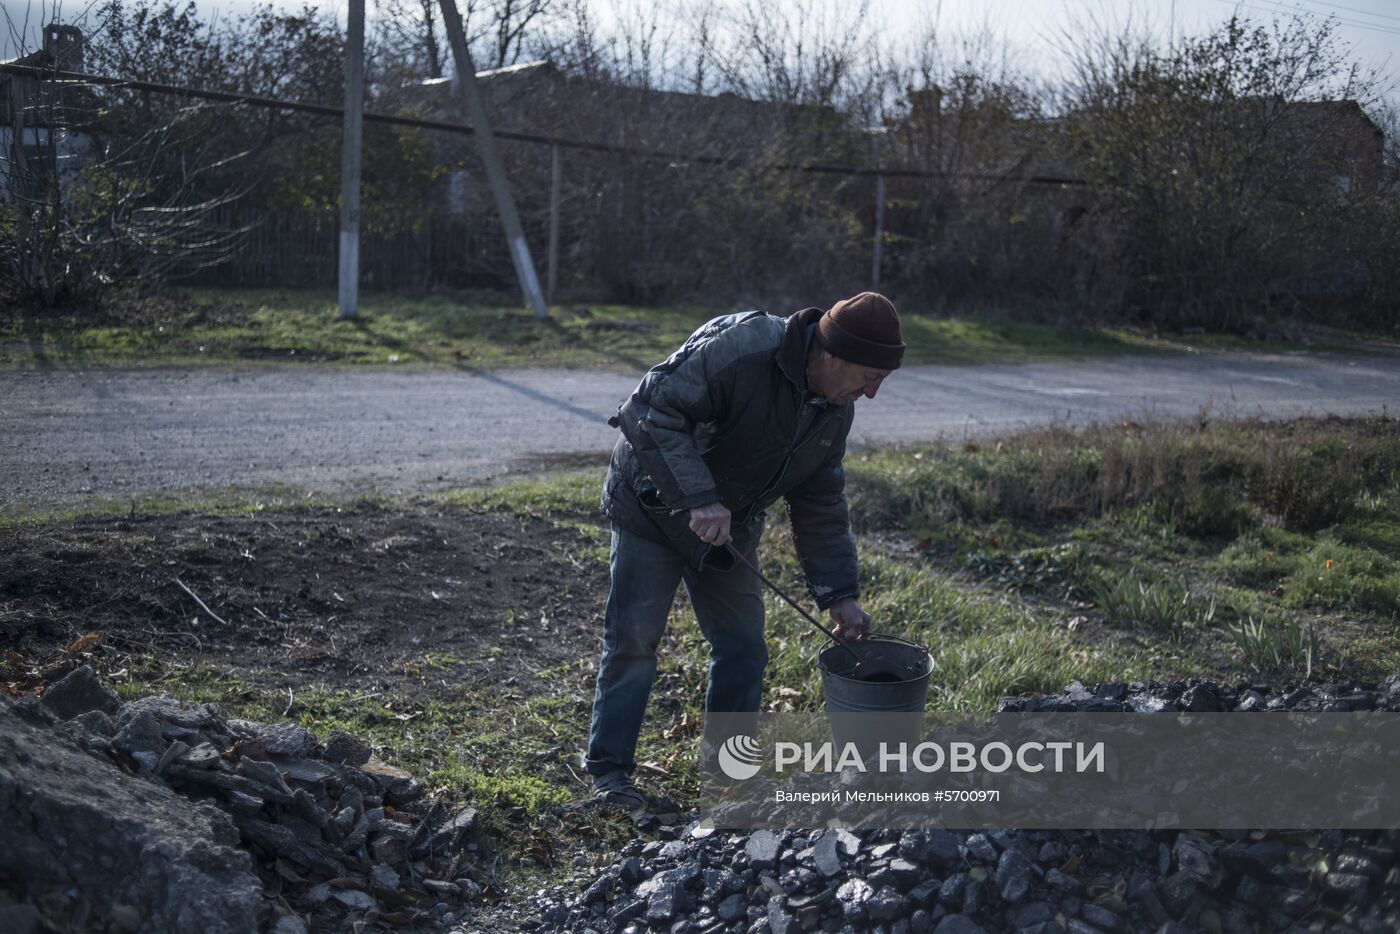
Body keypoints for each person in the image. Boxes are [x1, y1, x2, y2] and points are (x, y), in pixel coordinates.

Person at [584, 291, 906, 809]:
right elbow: (649, 411)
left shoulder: (834, 409)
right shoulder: (743, 348)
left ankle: (727, 777)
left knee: (744, 649)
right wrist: (699, 498)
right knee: (634, 644)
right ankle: (609, 775)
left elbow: (820, 502)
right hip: (651, 508)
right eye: (870, 377)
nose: (871, 394)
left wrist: (838, 594)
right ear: (831, 355)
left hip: (728, 530)